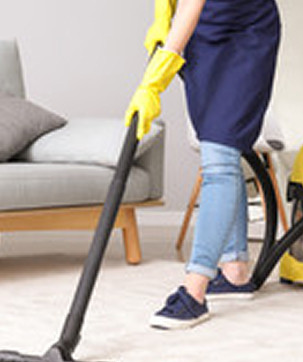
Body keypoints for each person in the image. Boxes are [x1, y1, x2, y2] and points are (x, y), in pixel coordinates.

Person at [125, 0, 281, 329]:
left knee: (220, 159)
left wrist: (152, 82)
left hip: (246, 33)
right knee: (219, 148)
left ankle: (194, 292)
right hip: (205, 36)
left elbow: (190, 6)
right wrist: (162, 17)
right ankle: (235, 270)